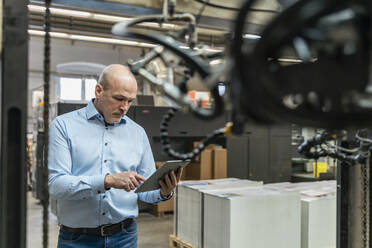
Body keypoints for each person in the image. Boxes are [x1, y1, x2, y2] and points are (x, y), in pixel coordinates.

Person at [48, 64, 182, 248]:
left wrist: (164, 192)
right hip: (77, 240)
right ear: (98, 90)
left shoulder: (137, 133)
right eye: (119, 98)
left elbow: (145, 190)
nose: (124, 107)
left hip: (124, 237)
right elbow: (56, 185)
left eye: (130, 101)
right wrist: (107, 181)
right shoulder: (64, 126)